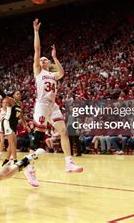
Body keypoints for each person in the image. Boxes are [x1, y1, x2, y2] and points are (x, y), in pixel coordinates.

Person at [24, 19, 83, 188]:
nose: (43, 60)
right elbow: (37, 49)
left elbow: (62, 72)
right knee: (38, 138)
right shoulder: (38, 71)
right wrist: (36, 32)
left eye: (45, 60)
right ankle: (30, 168)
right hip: (41, 104)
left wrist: (55, 57)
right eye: (41, 60)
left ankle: (68, 162)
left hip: (52, 104)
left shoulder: (52, 74)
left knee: (64, 130)